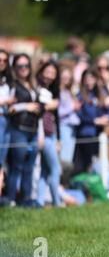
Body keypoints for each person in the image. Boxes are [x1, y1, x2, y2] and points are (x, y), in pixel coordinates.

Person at [7, 54, 42, 206]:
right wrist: (25, 106)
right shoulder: (12, 85)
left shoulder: (33, 85)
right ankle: (11, 199)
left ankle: (26, 199)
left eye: (26, 65)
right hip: (18, 129)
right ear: (14, 68)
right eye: (20, 66)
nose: (23, 69)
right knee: (16, 166)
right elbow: (9, 107)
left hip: (33, 130)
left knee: (29, 167)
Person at [35, 60, 62, 207]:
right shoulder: (37, 89)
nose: (50, 76)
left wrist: (58, 139)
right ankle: (57, 202)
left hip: (52, 134)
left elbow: (56, 118)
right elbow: (38, 113)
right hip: (43, 135)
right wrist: (40, 135)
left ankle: (39, 202)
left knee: (45, 171)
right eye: (48, 72)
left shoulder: (54, 91)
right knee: (56, 169)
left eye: (53, 73)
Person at [0, 49, 15, 193]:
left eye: (5, 60)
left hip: (7, 121)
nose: (2, 63)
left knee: (2, 161)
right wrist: (5, 101)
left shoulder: (8, 81)